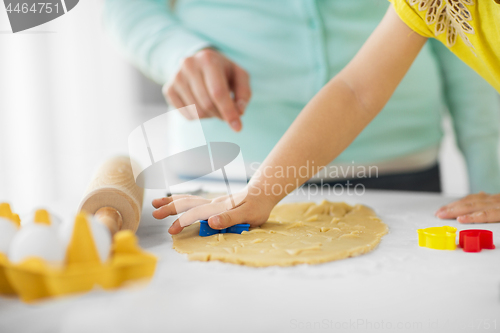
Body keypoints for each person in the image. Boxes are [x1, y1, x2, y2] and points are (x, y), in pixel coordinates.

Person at [103, 1, 500, 230]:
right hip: (230, 165)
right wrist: (260, 193)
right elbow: (356, 91)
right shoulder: (429, 4)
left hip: (403, 161)